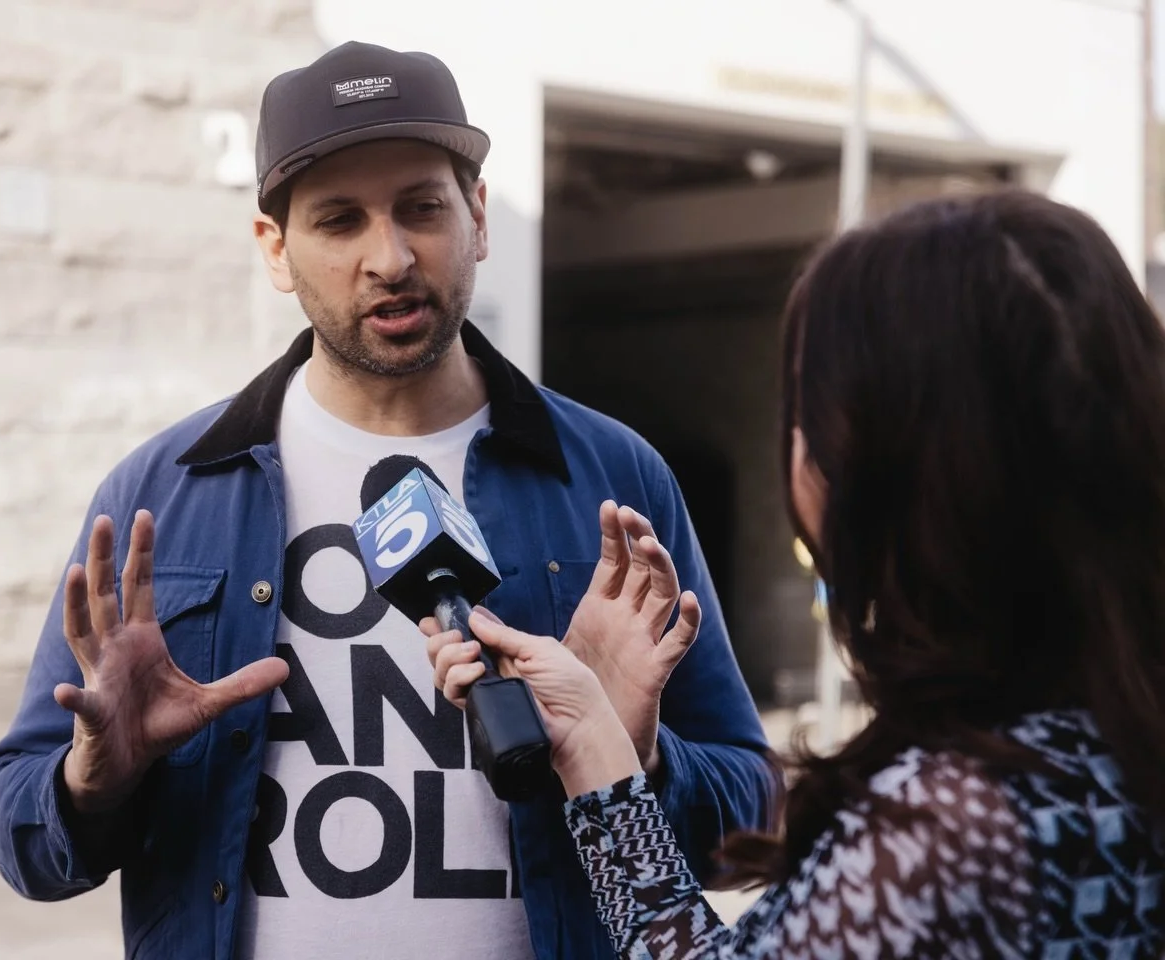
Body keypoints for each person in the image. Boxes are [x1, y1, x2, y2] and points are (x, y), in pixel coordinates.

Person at [0, 40, 775, 959]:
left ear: (478, 217)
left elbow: (750, 810)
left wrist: (632, 755)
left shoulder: (612, 477)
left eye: (421, 209)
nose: (390, 257)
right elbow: (25, 843)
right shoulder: (164, 493)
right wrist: (93, 780)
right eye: (339, 221)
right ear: (275, 249)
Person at [425, 189, 1165, 958]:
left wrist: (592, 749)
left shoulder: (950, 824)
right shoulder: (1114, 739)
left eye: (810, 409)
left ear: (899, 467)